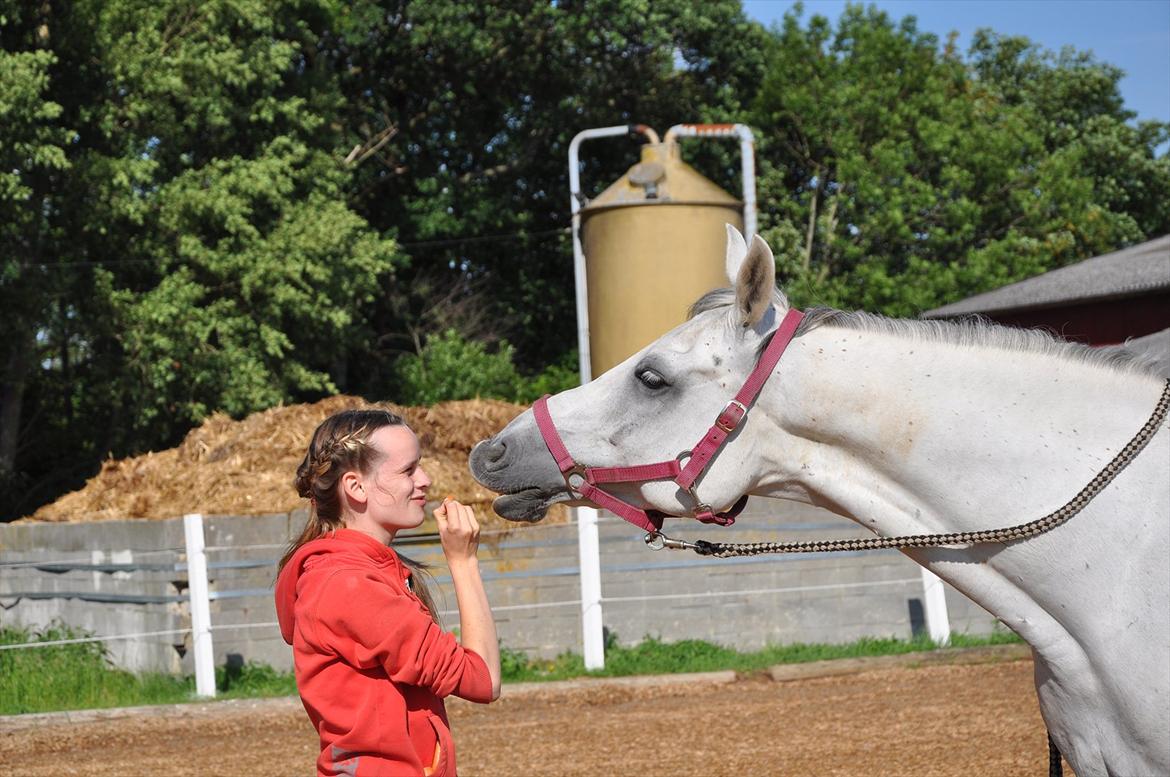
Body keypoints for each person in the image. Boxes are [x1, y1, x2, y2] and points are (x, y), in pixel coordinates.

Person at [275, 408, 501, 777]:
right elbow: (483, 679)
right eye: (408, 470)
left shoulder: (358, 573)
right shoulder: (350, 585)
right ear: (356, 487)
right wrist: (464, 563)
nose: (425, 480)